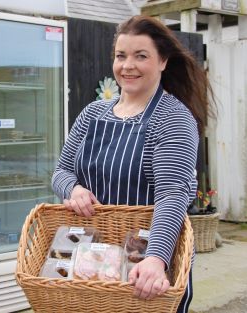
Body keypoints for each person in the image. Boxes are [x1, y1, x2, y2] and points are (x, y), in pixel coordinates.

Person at [51, 15, 214, 313]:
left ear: (163, 61)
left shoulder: (173, 119)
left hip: (145, 265)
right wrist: (73, 189)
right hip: (94, 260)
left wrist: (155, 259)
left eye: (141, 56)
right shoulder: (93, 113)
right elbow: (62, 171)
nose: (128, 66)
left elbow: (172, 195)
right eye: (121, 56)